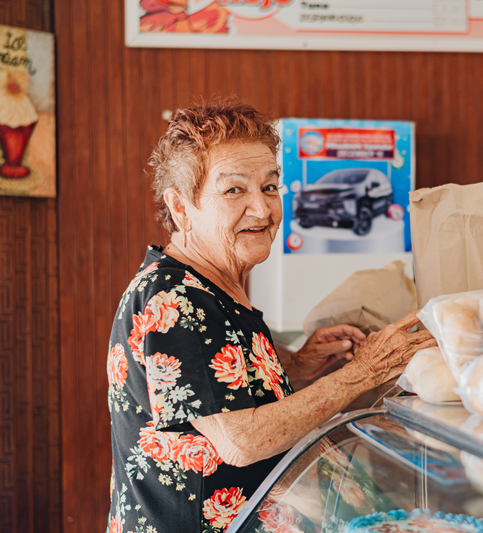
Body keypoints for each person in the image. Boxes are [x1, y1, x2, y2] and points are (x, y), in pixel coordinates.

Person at [105, 99, 435, 533]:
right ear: (181, 208)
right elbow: (239, 441)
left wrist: (296, 367)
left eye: (270, 187)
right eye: (234, 190)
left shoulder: (215, 287)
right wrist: (365, 371)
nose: (262, 209)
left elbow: (214, 400)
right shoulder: (175, 296)